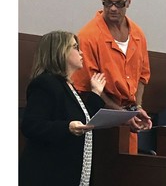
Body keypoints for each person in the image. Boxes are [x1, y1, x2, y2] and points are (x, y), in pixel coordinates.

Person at [72, 0, 152, 154]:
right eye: (107, 3)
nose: (113, 9)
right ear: (101, 0)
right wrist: (122, 114)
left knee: (127, 174)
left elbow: (143, 76)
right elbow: (88, 87)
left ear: (128, 2)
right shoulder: (88, 35)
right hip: (99, 120)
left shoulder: (138, 34)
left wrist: (136, 108)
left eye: (119, 3)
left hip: (128, 120)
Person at [19, 30, 106, 186]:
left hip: (70, 173)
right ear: (60, 52)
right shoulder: (45, 84)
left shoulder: (68, 86)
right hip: (48, 174)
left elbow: (84, 121)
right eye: (75, 47)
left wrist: (96, 93)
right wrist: (67, 127)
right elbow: (31, 125)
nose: (81, 52)